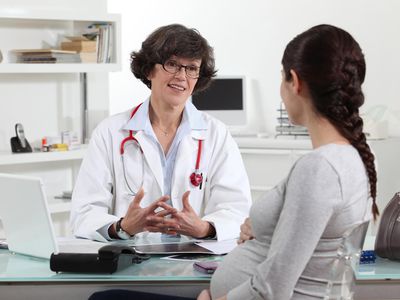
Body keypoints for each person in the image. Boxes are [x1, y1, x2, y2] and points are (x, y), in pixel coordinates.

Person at [198, 24, 379, 300]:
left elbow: (271, 290)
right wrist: (263, 228)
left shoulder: (320, 169)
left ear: (294, 81)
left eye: (282, 79)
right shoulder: (350, 157)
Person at [70, 24, 251, 242]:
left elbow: (236, 209)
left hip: (194, 262)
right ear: (149, 69)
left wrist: (203, 228)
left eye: (191, 68)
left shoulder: (217, 135)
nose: (182, 76)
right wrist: (123, 226)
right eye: (172, 64)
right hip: (130, 262)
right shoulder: (110, 132)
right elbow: (84, 213)